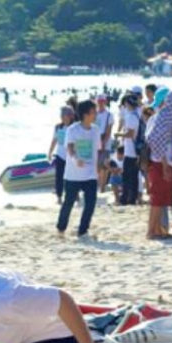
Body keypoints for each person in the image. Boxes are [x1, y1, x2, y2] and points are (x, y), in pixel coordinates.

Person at [145, 91, 172, 239]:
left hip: (165, 163)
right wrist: (165, 165)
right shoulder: (165, 117)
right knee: (157, 200)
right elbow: (155, 141)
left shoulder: (168, 117)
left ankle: (158, 229)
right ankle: (152, 231)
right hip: (159, 164)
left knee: (162, 199)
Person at [57, 101, 102, 238]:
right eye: (93, 112)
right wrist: (76, 159)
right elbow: (70, 148)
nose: (96, 114)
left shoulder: (95, 130)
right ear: (85, 114)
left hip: (90, 175)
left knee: (90, 204)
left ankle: (82, 231)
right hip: (73, 174)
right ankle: (61, 228)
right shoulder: (73, 129)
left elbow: (97, 150)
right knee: (68, 203)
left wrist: (99, 169)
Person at [48, 106, 76, 204]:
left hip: (72, 156)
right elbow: (54, 140)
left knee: (72, 177)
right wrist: (50, 152)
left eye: (64, 115)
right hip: (60, 155)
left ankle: (75, 195)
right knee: (59, 177)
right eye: (61, 115)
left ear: (70, 116)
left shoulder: (75, 127)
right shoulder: (58, 127)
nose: (63, 117)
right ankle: (59, 197)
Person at [117, 93, 142, 205]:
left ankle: (127, 198)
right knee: (133, 176)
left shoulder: (131, 116)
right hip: (133, 150)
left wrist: (119, 135)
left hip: (131, 151)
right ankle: (131, 198)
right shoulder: (136, 115)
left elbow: (130, 133)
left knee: (128, 176)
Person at [94, 94, 114, 192]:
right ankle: (99, 185)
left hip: (105, 142)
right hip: (95, 141)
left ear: (105, 102)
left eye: (102, 101)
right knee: (96, 166)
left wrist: (103, 142)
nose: (101, 103)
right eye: (99, 101)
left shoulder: (109, 115)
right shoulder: (94, 114)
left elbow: (108, 131)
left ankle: (102, 187)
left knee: (103, 165)